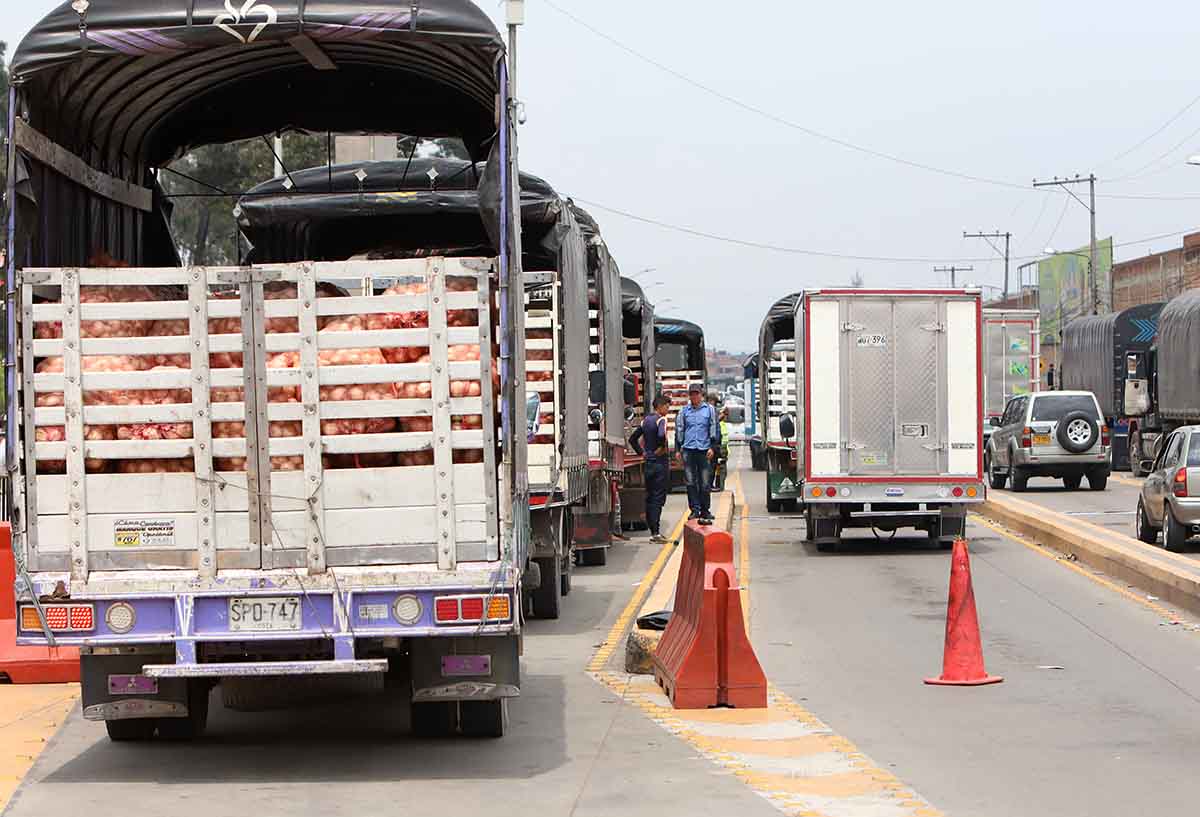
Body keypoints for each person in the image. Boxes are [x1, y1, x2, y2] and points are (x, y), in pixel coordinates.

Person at [629, 394, 672, 543]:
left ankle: (652, 529)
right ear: (659, 406)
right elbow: (661, 434)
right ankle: (656, 532)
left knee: (650, 496)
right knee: (658, 498)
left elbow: (632, 439)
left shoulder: (645, 421)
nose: (668, 409)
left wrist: (643, 453)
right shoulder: (661, 420)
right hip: (660, 463)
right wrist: (660, 448)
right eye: (667, 406)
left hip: (648, 464)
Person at [676, 383, 719, 524]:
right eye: (692, 394)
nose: (694, 396)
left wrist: (713, 448)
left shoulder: (710, 410)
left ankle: (705, 510)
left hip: (704, 450)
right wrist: (678, 450)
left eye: (697, 394)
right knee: (690, 482)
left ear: (701, 395)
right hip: (688, 450)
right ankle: (695, 509)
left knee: (705, 482)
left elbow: (714, 429)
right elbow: (679, 430)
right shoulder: (684, 412)